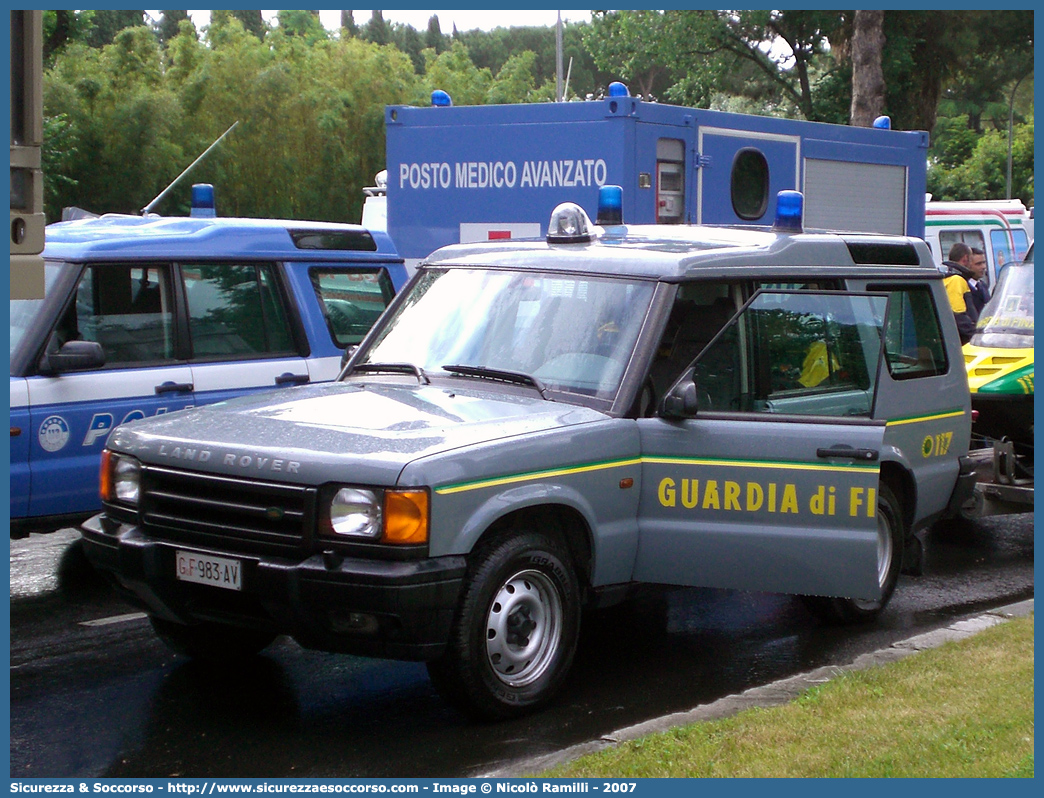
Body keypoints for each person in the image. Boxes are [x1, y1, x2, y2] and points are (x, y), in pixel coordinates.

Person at [941, 242, 979, 344]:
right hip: (960, 341)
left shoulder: (946, 277)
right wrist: (975, 336)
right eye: (971, 260)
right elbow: (959, 315)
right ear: (965, 258)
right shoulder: (956, 280)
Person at [967, 247, 990, 315]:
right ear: (968, 265)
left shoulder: (983, 286)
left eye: (984, 263)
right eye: (978, 264)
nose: (983, 267)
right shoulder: (964, 286)